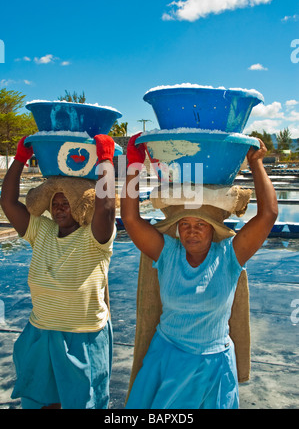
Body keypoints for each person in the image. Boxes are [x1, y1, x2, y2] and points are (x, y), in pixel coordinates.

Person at [121, 133, 278, 409]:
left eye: (201, 224)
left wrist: (256, 163)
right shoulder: (167, 253)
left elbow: (268, 215)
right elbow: (131, 218)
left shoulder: (230, 255)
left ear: (212, 228)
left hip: (214, 368)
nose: (191, 230)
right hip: (167, 361)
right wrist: (133, 165)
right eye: (184, 224)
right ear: (177, 228)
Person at [0, 134, 116, 409]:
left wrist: (106, 162)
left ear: (79, 205)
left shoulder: (95, 238)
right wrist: (19, 159)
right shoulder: (42, 230)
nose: (60, 208)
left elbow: (107, 208)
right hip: (41, 336)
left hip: (83, 338)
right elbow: (7, 203)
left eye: (67, 203)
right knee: (42, 404)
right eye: (55, 203)